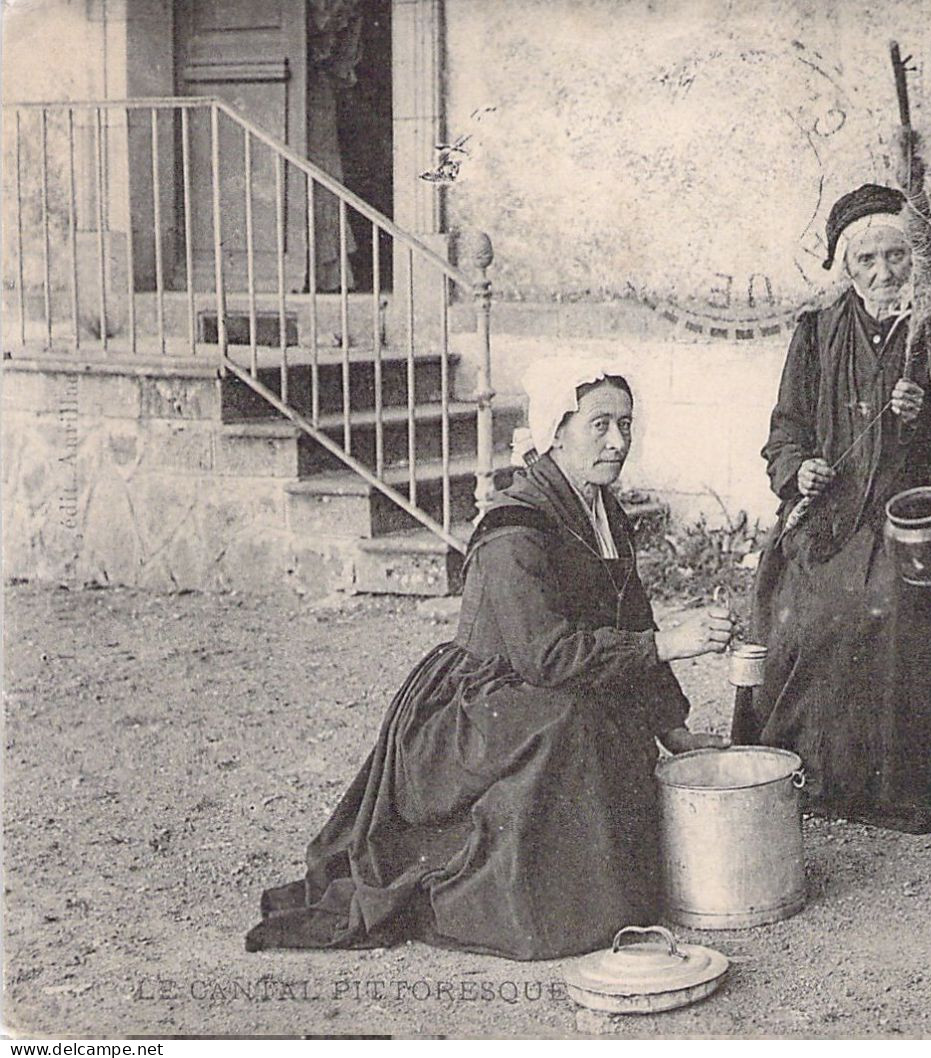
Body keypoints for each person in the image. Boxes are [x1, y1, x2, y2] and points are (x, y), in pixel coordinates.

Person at [246, 367, 734, 960]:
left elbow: (629, 621)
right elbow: (545, 655)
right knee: (570, 725)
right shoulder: (515, 528)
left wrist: (674, 731)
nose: (617, 442)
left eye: (625, 425)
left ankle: (600, 889)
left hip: (543, 681)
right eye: (600, 425)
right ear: (557, 433)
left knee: (603, 722)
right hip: (473, 706)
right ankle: (532, 902)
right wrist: (666, 643)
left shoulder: (603, 513)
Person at [733, 183, 931, 834]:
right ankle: (835, 771)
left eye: (895, 257)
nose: (882, 274)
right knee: (829, 609)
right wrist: (799, 470)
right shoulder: (817, 330)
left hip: (926, 513)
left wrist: (928, 417)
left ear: (916, 258)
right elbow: (785, 428)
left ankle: (912, 782)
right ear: (845, 267)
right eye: (866, 261)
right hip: (837, 519)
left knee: (902, 607)